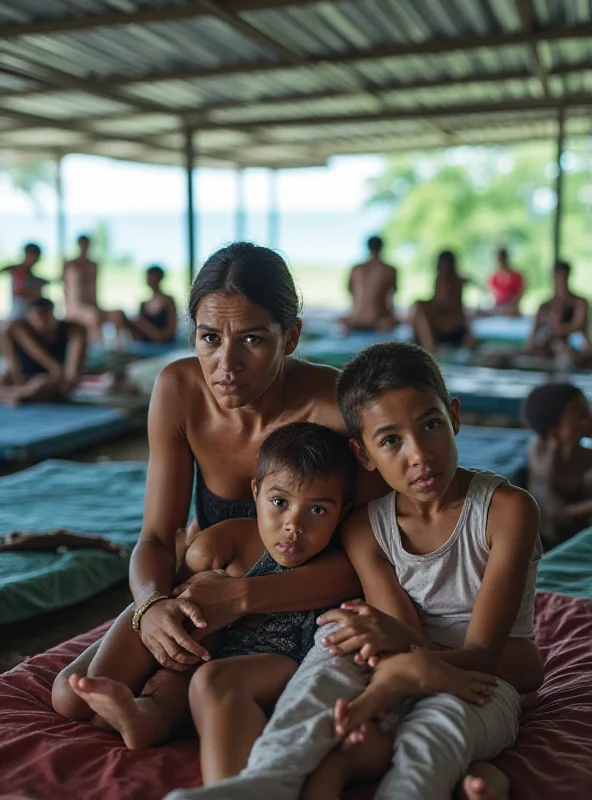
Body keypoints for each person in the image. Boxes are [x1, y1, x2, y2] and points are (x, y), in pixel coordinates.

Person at [175, 341, 544, 800]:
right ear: (364, 453)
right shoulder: (366, 528)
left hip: (480, 682)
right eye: (390, 440)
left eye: (430, 425)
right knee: (330, 648)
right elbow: (397, 634)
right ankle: (262, 783)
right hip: (394, 661)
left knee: (435, 731)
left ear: (454, 416)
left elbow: (485, 656)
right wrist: (393, 663)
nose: (418, 455)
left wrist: (406, 669)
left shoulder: (506, 510)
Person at [50, 242, 372, 731]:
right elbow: (157, 538)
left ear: (291, 337)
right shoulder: (179, 390)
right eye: (208, 338)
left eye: (252, 340)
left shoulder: (335, 410)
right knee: (69, 698)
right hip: (206, 586)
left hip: (301, 601)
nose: (226, 364)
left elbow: (370, 565)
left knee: (151, 685)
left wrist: (242, 598)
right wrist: (153, 603)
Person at [54, 423, 356, 774]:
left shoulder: (340, 562)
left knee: (194, 680)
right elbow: (180, 585)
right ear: (256, 492)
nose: (293, 524)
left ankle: (140, 717)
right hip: (204, 646)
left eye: (317, 510)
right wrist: (194, 564)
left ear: (343, 512)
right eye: (279, 502)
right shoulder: (234, 539)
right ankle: (96, 683)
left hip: (276, 658)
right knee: (69, 697)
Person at [523, 382, 592, 550]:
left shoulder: (583, 455)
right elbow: (556, 515)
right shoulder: (541, 458)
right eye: (582, 415)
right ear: (555, 432)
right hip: (548, 541)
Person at [0, 297, 86, 404]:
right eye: (37, 319)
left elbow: (71, 374)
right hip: (22, 379)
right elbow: (12, 368)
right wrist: (16, 378)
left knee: (43, 384)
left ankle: (13, 395)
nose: (42, 323)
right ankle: (16, 394)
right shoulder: (17, 329)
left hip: (51, 382)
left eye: (46, 318)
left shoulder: (74, 330)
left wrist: (60, 376)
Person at [63, 234, 126, 343]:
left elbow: (95, 287)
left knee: (117, 313)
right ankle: (100, 345)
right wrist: (68, 309)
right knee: (93, 315)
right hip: (76, 308)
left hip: (92, 305)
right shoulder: (70, 264)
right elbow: (64, 286)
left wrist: (96, 305)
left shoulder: (94, 265)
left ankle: (118, 347)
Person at [526, 260, 592, 364]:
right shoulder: (545, 306)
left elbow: (578, 326)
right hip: (550, 347)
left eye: (563, 277)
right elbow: (533, 334)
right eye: (558, 277)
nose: (560, 281)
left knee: (562, 351)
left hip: (574, 350)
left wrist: (557, 329)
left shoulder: (580, 303)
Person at [411, 250, 472, 351]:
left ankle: (430, 347)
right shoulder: (439, 280)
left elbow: (449, 307)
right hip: (441, 320)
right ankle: (428, 345)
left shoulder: (456, 282)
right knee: (419, 310)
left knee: (420, 307)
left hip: (452, 324)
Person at [340, 236, 397, 333]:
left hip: (355, 320)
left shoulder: (356, 269)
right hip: (379, 322)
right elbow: (391, 297)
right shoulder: (389, 270)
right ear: (382, 248)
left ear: (367, 248)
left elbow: (350, 292)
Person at [126, 265, 178, 343]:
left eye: (153, 278)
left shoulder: (168, 301)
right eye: (149, 278)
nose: (150, 280)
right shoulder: (143, 303)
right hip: (145, 345)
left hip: (165, 344)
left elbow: (170, 331)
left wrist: (145, 327)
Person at [0, 243, 48, 320]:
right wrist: (35, 291)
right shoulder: (18, 271)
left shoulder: (32, 276)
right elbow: (18, 292)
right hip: (19, 315)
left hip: (29, 316)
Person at [486, 248, 524, 317]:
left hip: (511, 308)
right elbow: (489, 294)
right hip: (497, 307)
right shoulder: (493, 276)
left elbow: (520, 294)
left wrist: (507, 305)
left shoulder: (517, 276)